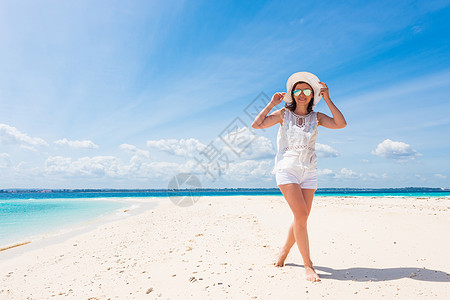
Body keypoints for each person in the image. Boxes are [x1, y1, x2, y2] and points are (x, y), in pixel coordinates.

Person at [251, 71, 346, 282]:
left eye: (306, 91)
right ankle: (308, 265)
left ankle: (284, 251)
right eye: (297, 90)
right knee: (301, 215)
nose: (301, 94)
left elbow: (341, 124)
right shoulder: (284, 114)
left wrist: (328, 99)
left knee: (300, 217)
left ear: (313, 95)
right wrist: (271, 104)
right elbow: (257, 125)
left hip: (310, 171)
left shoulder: (316, 117)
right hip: (287, 168)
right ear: (292, 94)